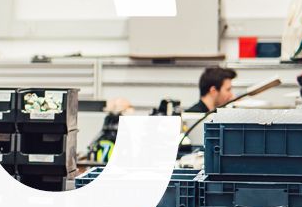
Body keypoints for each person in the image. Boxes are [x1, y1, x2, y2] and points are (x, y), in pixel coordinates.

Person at [88, 65, 246, 159]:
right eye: (228, 89)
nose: (231, 95)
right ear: (213, 90)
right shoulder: (192, 119)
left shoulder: (214, 116)